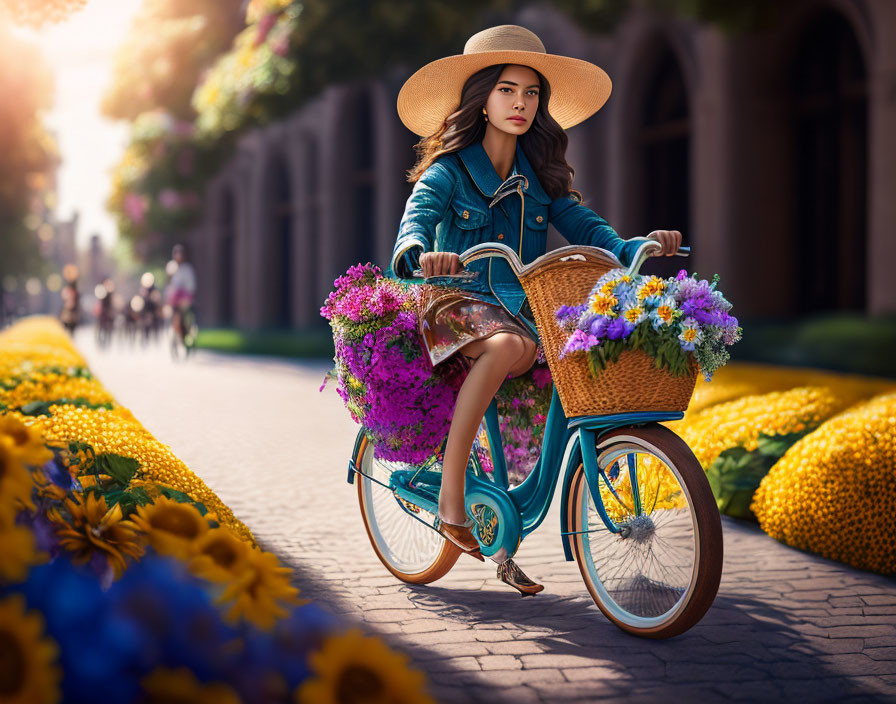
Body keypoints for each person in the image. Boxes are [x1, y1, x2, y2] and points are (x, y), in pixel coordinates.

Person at [390, 25, 682, 595]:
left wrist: (634, 246)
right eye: (506, 90)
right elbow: (416, 217)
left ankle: (508, 522)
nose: (520, 103)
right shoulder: (448, 172)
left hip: (521, 308)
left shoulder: (539, 177)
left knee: (569, 349)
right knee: (505, 347)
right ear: (481, 98)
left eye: (531, 93)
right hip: (455, 302)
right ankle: (451, 498)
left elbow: (586, 226)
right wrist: (420, 253)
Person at [164, 244, 197, 341]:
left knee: (185, 313)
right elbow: (169, 282)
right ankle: (176, 332)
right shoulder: (171, 267)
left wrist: (188, 295)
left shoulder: (187, 269)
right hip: (174, 297)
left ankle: (188, 330)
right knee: (173, 315)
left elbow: (191, 285)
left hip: (185, 296)